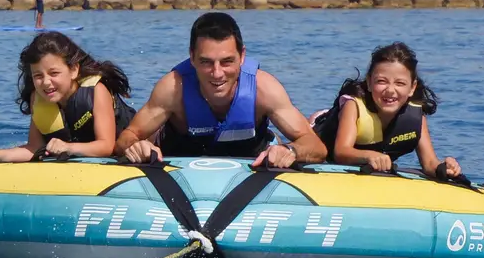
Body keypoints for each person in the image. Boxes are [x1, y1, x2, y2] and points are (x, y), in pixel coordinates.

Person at [116, 11, 326, 167]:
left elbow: (316, 147)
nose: (217, 73)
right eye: (206, 62)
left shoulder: (265, 89)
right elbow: (127, 137)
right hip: (182, 156)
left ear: (242, 56)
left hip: (252, 161)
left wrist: (290, 151)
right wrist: (135, 147)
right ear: (192, 57)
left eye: (227, 62)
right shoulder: (172, 89)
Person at [0, 32, 134, 162]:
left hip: (141, 146)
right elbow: (34, 148)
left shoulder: (96, 91)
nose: (46, 83)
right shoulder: (38, 100)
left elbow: (106, 146)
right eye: (38, 76)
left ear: (73, 70)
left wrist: (69, 148)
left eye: (54, 73)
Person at [312, 42, 460, 179]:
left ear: (412, 87)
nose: (390, 90)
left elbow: (429, 163)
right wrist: (369, 156)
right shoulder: (354, 106)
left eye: (400, 83)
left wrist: (443, 168)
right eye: (381, 81)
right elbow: (341, 152)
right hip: (317, 134)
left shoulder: (416, 117)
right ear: (369, 82)